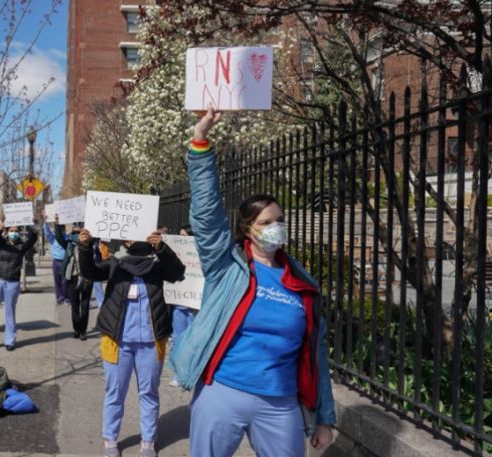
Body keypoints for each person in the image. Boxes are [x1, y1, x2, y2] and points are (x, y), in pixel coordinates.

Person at [169, 108, 335, 457]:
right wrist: (200, 143)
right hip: (223, 393)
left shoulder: (302, 283)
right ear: (248, 229)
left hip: (281, 403)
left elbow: (315, 354)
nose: (277, 226)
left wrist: (324, 418)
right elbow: (206, 213)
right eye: (266, 221)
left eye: (280, 219)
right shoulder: (226, 266)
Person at [78, 228, 186, 457]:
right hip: (117, 341)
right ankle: (110, 440)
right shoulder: (115, 264)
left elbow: (178, 273)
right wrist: (85, 248)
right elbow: (90, 272)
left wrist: (162, 248)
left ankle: (148, 441)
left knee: (149, 392)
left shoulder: (157, 265)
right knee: (114, 392)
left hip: (150, 341)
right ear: (125, 238)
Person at [0, 218, 39, 351]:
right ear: (7, 231)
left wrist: (31, 225)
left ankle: (10, 340)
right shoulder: (2, 243)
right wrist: (0, 227)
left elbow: (33, 238)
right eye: (11, 230)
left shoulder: (22, 246)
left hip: (13, 282)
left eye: (16, 231)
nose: (14, 233)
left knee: (10, 311)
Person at [158, 226, 197, 388]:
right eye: (180, 235)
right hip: (179, 303)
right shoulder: (176, 251)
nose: (182, 238)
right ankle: (178, 374)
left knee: (194, 340)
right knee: (178, 339)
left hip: (196, 304)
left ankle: (193, 373)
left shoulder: (201, 251)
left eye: (185, 235)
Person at [60, 224, 93, 340]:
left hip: (87, 278)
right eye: (75, 233)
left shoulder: (90, 244)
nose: (77, 235)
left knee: (85, 305)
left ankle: (83, 331)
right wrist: (58, 223)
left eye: (80, 232)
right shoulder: (69, 245)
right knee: (75, 305)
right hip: (73, 278)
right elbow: (59, 237)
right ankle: (76, 329)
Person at [43, 214, 69, 305]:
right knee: (57, 281)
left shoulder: (67, 237)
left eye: (62, 229)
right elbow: (47, 232)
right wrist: (45, 222)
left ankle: (66, 297)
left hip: (66, 262)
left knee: (65, 281)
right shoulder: (53, 238)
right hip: (56, 261)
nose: (61, 230)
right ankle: (59, 297)